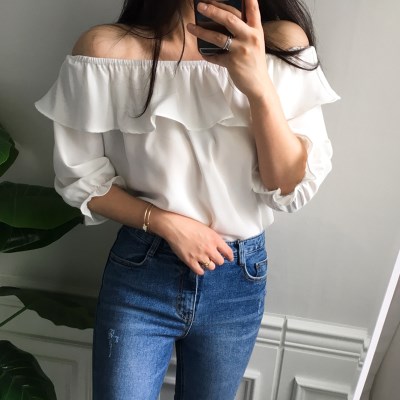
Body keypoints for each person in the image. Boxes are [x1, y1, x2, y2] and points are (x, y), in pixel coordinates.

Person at [35, 0, 339, 398]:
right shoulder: (105, 51)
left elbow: (288, 188)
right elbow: (80, 179)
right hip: (142, 270)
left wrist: (259, 87)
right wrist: (165, 222)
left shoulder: (280, 42)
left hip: (237, 277)